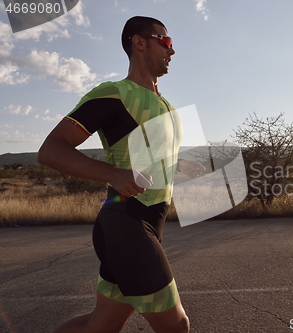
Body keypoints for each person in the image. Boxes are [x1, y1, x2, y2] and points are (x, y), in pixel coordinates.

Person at [38, 16, 203, 333]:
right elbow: (51, 150)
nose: (173, 50)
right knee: (176, 326)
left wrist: (179, 166)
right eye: (165, 41)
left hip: (149, 223)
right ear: (140, 42)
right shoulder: (115, 93)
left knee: (98, 326)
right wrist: (113, 174)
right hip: (126, 223)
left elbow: (150, 156)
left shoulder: (165, 105)